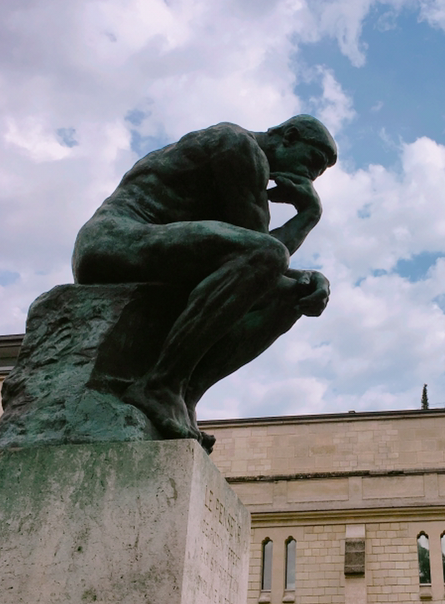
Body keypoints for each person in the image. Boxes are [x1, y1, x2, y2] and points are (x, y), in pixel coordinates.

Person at [72, 114, 337, 451]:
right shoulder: (237, 145)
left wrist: (307, 279)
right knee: (267, 257)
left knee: (295, 295)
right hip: (112, 241)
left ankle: (184, 395)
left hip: (160, 252)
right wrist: (309, 216)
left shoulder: (249, 166)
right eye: (312, 162)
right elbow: (263, 253)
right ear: (289, 136)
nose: (311, 177)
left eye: (319, 173)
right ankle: (162, 384)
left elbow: (256, 262)